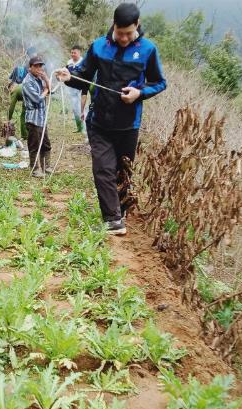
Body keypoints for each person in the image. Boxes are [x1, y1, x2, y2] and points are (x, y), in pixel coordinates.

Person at [55, 3, 166, 236]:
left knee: (123, 171)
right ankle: (113, 219)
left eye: (129, 33)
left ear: (137, 26)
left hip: (128, 125)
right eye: (119, 32)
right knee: (102, 169)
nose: (124, 38)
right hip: (100, 122)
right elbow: (84, 77)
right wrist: (69, 77)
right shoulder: (98, 46)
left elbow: (159, 82)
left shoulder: (148, 50)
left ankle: (121, 211)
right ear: (113, 25)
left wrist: (139, 93)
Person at [22, 55, 52, 178]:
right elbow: (37, 99)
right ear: (30, 68)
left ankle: (46, 167)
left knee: (46, 144)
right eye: (36, 66)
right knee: (34, 145)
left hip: (42, 118)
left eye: (40, 66)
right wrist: (45, 91)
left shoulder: (39, 79)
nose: (39, 68)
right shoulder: (27, 82)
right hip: (33, 119)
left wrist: (45, 79)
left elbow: (51, 90)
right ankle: (35, 169)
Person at [7, 47, 36, 140]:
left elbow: (11, 107)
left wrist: (8, 118)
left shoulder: (14, 91)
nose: (10, 90)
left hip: (28, 92)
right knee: (26, 113)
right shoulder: (19, 86)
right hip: (31, 91)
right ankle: (27, 134)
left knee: (24, 114)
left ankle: (25, 135)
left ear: (11, 87)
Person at [65, 45, 88, 134]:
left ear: (79, 53)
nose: (73, 54)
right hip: (72, 89)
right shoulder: (69, 62)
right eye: (72, 52)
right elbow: (65, 72)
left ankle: (85, 127)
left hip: (81, 89)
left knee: (82, 108)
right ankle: (79, 127)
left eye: (75, 53)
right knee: (75, 109)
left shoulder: (83, 62)